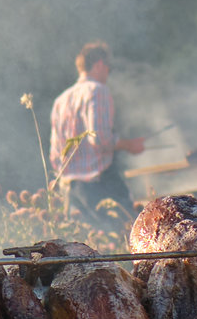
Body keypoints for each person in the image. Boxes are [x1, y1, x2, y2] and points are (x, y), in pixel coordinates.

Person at [49, 44, 145, 228]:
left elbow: (55, 153)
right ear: (100, 64)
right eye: (109, 67)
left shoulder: (60, 100)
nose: (109, 72)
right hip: (99, 185)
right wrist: (128, 145)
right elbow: (100, 139)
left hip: (70, 189)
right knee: (124, 238)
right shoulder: (98, 91)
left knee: (88, 248)